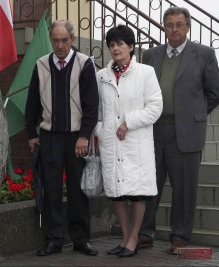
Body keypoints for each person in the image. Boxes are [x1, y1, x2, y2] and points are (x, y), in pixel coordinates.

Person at [138, 6, 219, 254]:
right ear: (164, 27)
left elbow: (214, 93)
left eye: (179, 25)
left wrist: (193, 114)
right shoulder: (151, 55)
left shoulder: (204, 54)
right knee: (149, 184)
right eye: (170, 25)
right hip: (154, 129)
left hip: (186, 131)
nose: (174, 30)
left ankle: (180, 235)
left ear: (188, 27)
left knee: (184, 188)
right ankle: (144, 233)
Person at [25, 20, 99, 257]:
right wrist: (31, 134)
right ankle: (53, 240)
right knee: (51, 190)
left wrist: (85, 135)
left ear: (73, 40)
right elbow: (32, 104)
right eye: (56, 40)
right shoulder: (40, 65)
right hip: (50, 137)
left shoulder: (85, 64)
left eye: (64, 40)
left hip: (77, 138)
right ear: (51, 40)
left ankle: (81, 239)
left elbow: (91, 106)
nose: (60, 45)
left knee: (78, 190)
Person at [95, 24, 163, 258]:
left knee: (137, 192)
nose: (115, 48)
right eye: (112, 44)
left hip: (136, 142)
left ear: (131, 47)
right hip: (111, 142)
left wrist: (129, 122)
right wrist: (101, 130)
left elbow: (156, 107)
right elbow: (97, 111)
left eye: (120, 44)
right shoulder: (101, 76)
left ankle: (133, 239)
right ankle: (124, 238)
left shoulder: (145, 72)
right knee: (117, 193)